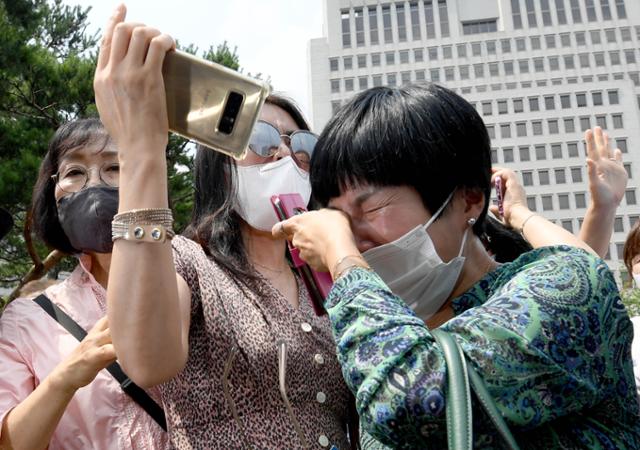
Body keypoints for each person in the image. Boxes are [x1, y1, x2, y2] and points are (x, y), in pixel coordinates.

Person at [275, 84, 640, 448]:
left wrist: (343, 259)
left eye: (370, 209)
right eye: (334, 219)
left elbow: (414, 400)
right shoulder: (378, 338)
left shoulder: (568, 284)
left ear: (469, 201)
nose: (349, 235)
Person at [94, 6, 355, 448]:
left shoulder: (324, 275)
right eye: (262, 140)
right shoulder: (187, 261)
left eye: (302, 145)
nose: (284, 157)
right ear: (219, 166)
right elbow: (147, 358)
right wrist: (141, 150)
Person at [0, 118, 170, 449]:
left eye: (115, 167)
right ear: (53, 195)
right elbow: (9, 443)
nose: (94, 183)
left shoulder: (190, 280)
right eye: (75, 173)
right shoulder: (25, 320)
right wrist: (68, 375)